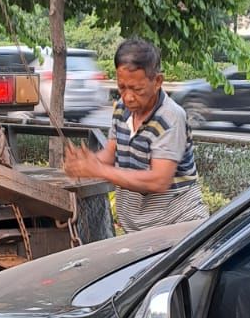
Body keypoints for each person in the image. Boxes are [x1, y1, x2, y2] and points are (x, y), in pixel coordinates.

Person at [63, 38, 208, 232]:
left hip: (177, 226)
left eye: (137, 89)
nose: (128, 96)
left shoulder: (171, 117)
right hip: (140, 228)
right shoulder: (121, 109)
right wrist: (86, 163)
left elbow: (159, 180)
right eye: (122, 87)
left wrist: (98, 170)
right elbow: (111, 154)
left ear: (157, 81)